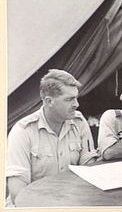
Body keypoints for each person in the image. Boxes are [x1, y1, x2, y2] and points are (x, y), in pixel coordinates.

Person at [6, 69, 98, 204]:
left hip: (72, 201)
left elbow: (90, 167)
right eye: (69, 99)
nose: (76, 105)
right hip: (32, 208)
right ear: (49, 101)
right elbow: (17, 191)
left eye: (76, 98)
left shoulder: (79, 122)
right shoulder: (23, 131)